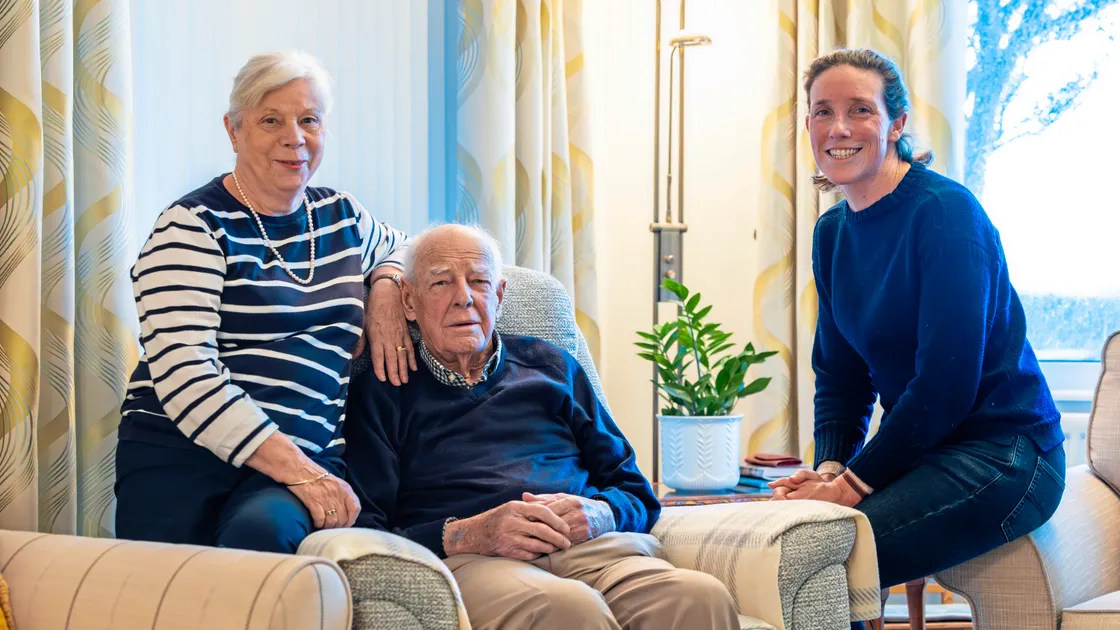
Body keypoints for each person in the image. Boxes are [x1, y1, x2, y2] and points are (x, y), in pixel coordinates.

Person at [769, 48, 1066, 601]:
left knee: (815, 554)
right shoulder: (831, 233)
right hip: (929, 453)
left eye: (860, 109)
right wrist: (831, 467)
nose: (838, 127)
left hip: (1004, 454)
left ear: (896, 123)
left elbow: (944, 387)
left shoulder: (946, 214)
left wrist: (850, 486)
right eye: (821, 111)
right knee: (796, 535)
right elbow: (839, 376)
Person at [343, 224, 739, 630]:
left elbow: (634, 489)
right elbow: (365, 525)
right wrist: (467, 534)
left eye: (479, 282)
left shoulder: (551, 366)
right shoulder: (383, 390)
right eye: (442, 282)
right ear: (409, 300)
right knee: (566, 609)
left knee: (700, 597)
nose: (463, 298)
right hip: (479, 560)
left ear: (498, 296)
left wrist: (601, 513)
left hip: (592, 548)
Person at [115, 51, 416, 553]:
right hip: (186, 454)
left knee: (263, 536)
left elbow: (410, 248)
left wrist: (384, 283)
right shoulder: (192, 226)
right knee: (175, 596)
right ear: (234, 131)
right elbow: (186, 372)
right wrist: (300, 470)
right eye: (270, 120)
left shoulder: (342, 217)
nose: (293, 137)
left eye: (308, 120)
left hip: (299, 458)